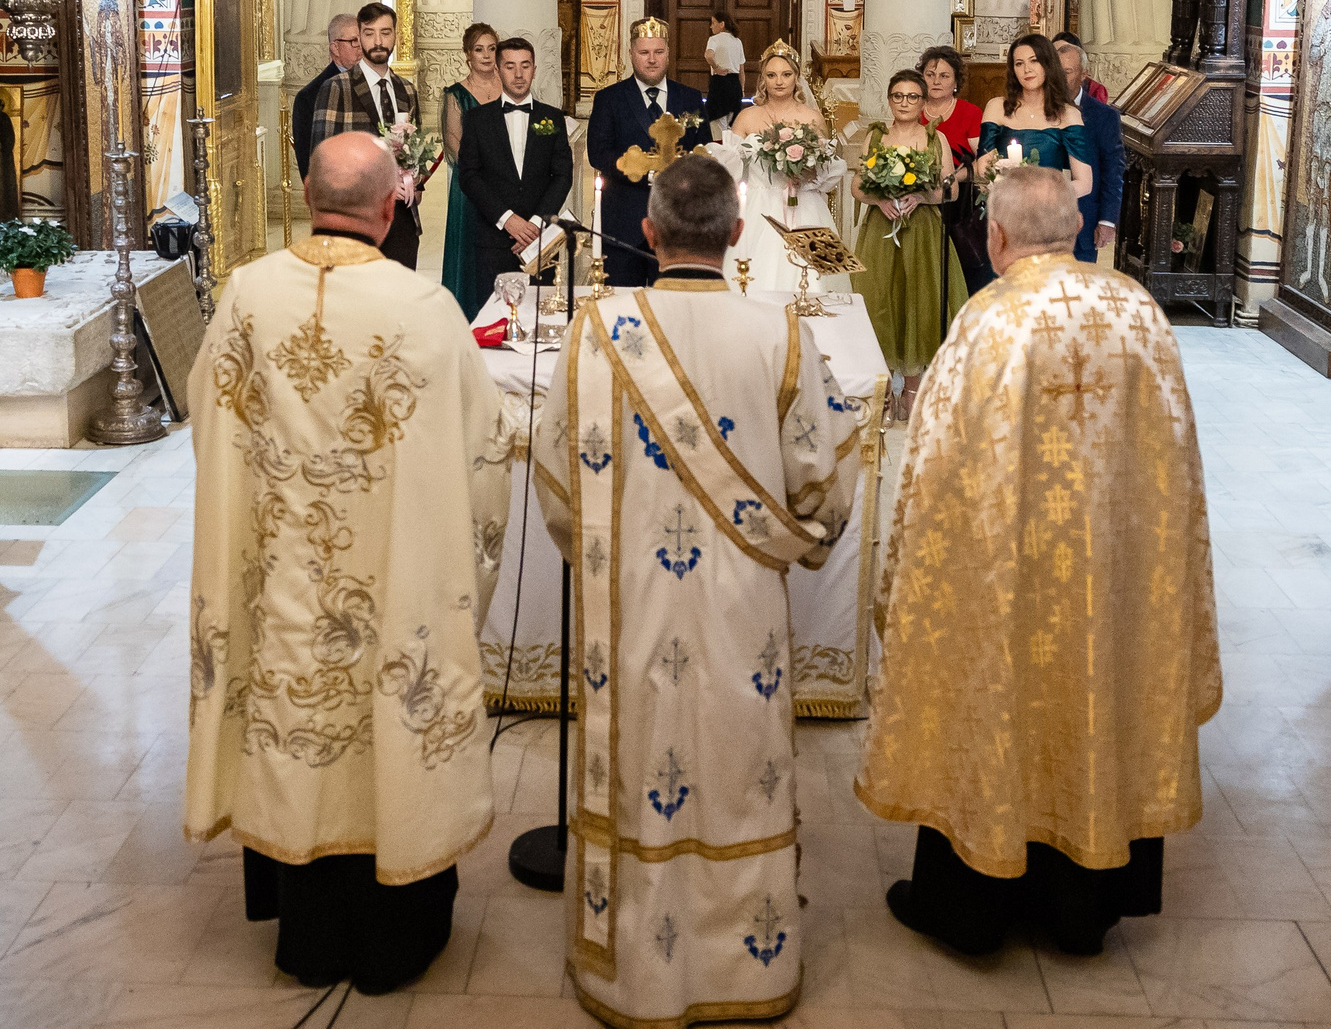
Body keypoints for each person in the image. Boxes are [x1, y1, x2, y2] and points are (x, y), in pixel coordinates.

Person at [529, 156, 858, 1029]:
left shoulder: (598, 327)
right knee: (737, 763)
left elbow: (557, 478)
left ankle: (632, 965)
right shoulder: (780, 332)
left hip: (627, 603)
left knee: (644, 764)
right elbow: (823, 483)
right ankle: (746, 965)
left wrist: (601, 553)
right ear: (738, 234)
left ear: (647, 231)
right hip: (742, 611)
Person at [859, 165, 1217, 957]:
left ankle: (975, 908)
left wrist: (912, 577)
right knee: (1099, 693)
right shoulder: (1139, 313)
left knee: (1001, 704)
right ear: (1080, 229)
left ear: (996, 237)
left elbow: (935, 466)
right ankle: (1084, 907)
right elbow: (1178, 460)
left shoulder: (988, 321)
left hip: (1011, 584)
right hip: (1115, 579)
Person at [184, 135, 512, 991]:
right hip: (390, 588)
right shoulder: (423, 306)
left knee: (292, 730)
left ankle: (310, 931)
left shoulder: (248, 295)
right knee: (391, 726)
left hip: (282, 585)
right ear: (391, 204)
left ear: (302, 193)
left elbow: (204, 415)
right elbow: (485, 450)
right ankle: (393, 936)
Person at [847, 69, 963, 420]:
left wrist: (922, 196)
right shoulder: (876, 137)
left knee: (917, 302)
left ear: (924, 102)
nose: (905, 103)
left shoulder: (935, 140)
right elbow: (857, 184)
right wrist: (878, 199)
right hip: (882, 230)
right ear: (889, 100)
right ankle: (883, 388)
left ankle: (912, 389)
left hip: (922, 232)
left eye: (913, 97)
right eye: (898, 96)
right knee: (881, 301)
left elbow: (951, 189)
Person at [587, 17, 711, 285]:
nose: (652, 59)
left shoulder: (690, 98)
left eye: (658, 52)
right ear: (631, 54)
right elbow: (598, 153)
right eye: (644, 52)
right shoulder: (609, 99)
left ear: (668, 54)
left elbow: (705, 151)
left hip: (677, 222)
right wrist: (644, 169)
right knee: (622, 309)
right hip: (622, 220)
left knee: (673, 307)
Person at [454, 36, 571, 319]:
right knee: (494, 319)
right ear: (497, 69)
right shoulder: (477, 119)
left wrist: (534, 225)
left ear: (535, 68)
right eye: (510, 67)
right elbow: (469, 177)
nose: (518, 75)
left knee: (543, 315)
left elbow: (563, 175)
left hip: (540, 241)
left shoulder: (552, 118)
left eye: (525, 66)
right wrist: (508, 220)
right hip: (493, 239)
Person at [718, 41, 847, 294]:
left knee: (812, 280)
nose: (779, 81)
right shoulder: (747, 118)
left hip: (804, 205)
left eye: (786, 74)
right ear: (763, 79)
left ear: (796, 78)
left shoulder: (812, 118)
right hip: (758, 206)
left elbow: (824, 170)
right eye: (771, 75)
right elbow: (730, 170)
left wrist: (804, 172)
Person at [309, 2, 424, 269]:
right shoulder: (337, 88)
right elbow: (322, 161)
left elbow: (415, 150)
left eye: (385, 32)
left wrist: (416, 184)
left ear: (396, 36)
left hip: (403, 220)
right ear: (359, 38)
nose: (378, 41)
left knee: (398, 302)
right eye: (370, 33)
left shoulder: (406, 90)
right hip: (356, 221)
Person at [974, 35, 1095, 204]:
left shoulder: (1068, 114)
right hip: (1005, 208)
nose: (1027, 69)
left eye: (1034, 61)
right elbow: (983, 168)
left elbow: (1085, 183)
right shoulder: (996, 107)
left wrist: (1043, 196)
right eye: (1019, 63)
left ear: (1048, 64)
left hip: (1049, 212)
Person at [438, 21, 503, 311]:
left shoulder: (512, 87)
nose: (487, 56)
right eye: (479, 50)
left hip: (508, 184)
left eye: (492, 48)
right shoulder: (456, 95)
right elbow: (454, 146)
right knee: (471, 255)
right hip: (471, 187)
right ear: (468, 54)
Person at [918, 45, 989, 293]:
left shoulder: (970, 113)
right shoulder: (911, 111)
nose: (936, 81)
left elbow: (984, 165)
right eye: (930, 74)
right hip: (920, 203)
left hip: (960, 206)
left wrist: (952, 177)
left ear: (956, 81)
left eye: (944, 76)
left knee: (958, 275)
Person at [1053, 35, 1123, 263]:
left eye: (1067, 72)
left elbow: (1113, 171)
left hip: (1084, 222)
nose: (1059, 78)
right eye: (1055, 71)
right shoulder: (1034, 111)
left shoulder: (1104, 117)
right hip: (1040, 221)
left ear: (1084, 75)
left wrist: (1107, 221)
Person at [293, 14, 362, 181]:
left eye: (362, 40)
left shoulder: (375, 83)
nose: (360, 47)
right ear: (335, 48)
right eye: (353, 41)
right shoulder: (309, 97)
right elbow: (308, 161)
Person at [703, 8, 746, 126]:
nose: (711, 27)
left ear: (722, 24)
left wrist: (716, 67)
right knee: (732, 123)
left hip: (720, 83)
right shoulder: (738, 41)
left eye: (713, 23)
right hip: (735, 85)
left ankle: (718, 144)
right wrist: (742, 89)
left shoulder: (714, 39)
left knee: (716, 123)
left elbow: (708, 55)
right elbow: (741, 69)